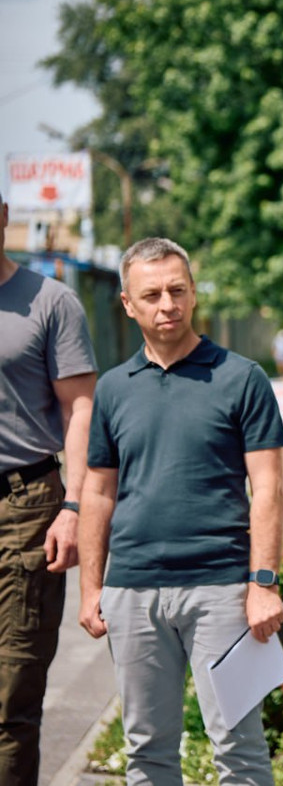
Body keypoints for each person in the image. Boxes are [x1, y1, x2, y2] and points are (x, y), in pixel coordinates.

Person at [78, 237, 283, 784]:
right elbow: (97, 493)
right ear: (128, 304)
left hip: (223, 591)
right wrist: (91, 588)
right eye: (151, 295)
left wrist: (263, 581)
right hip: (132, 591)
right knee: (145, 751)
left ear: (194, 294)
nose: (166, 304)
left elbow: (268, 487)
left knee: (238, 748)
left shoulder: (242, 378)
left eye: (177, 290)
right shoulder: (112, 389)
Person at [0, 190, 97, 784]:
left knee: (11, 694)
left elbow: (80, 408)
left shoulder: (50, 301)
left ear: (5, 216)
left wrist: (73, 506)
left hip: (26, 504)